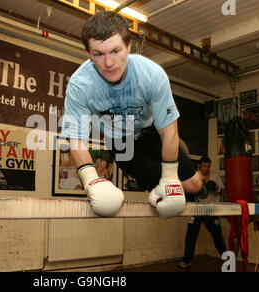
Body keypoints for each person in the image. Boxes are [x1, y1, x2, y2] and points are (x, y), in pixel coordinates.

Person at [60, 12, 203, 218]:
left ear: (128, 46)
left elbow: (169, 133)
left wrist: (170, 178)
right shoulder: (80, 85)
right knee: (180, 191)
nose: (108, 62)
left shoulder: (152, 75)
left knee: (194, 185)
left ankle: (185, 188)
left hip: (153, 132)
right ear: (88, 54)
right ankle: (164, 190)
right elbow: (77, 140)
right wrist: (91, 179)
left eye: (115, 51)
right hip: (122, 145)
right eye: (99, 54)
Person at [179, 156, 227, 268]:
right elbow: (186, 189)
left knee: (218, 236)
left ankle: (226, 259)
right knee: (191, 236)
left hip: (211, 210)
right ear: (200, 166)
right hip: (197, 209)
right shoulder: (195, 177)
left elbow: (225, 192)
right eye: (204, 166)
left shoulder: (215, 176)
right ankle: (187, 260)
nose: (206, 168)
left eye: (208, 166)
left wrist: (217, 188)